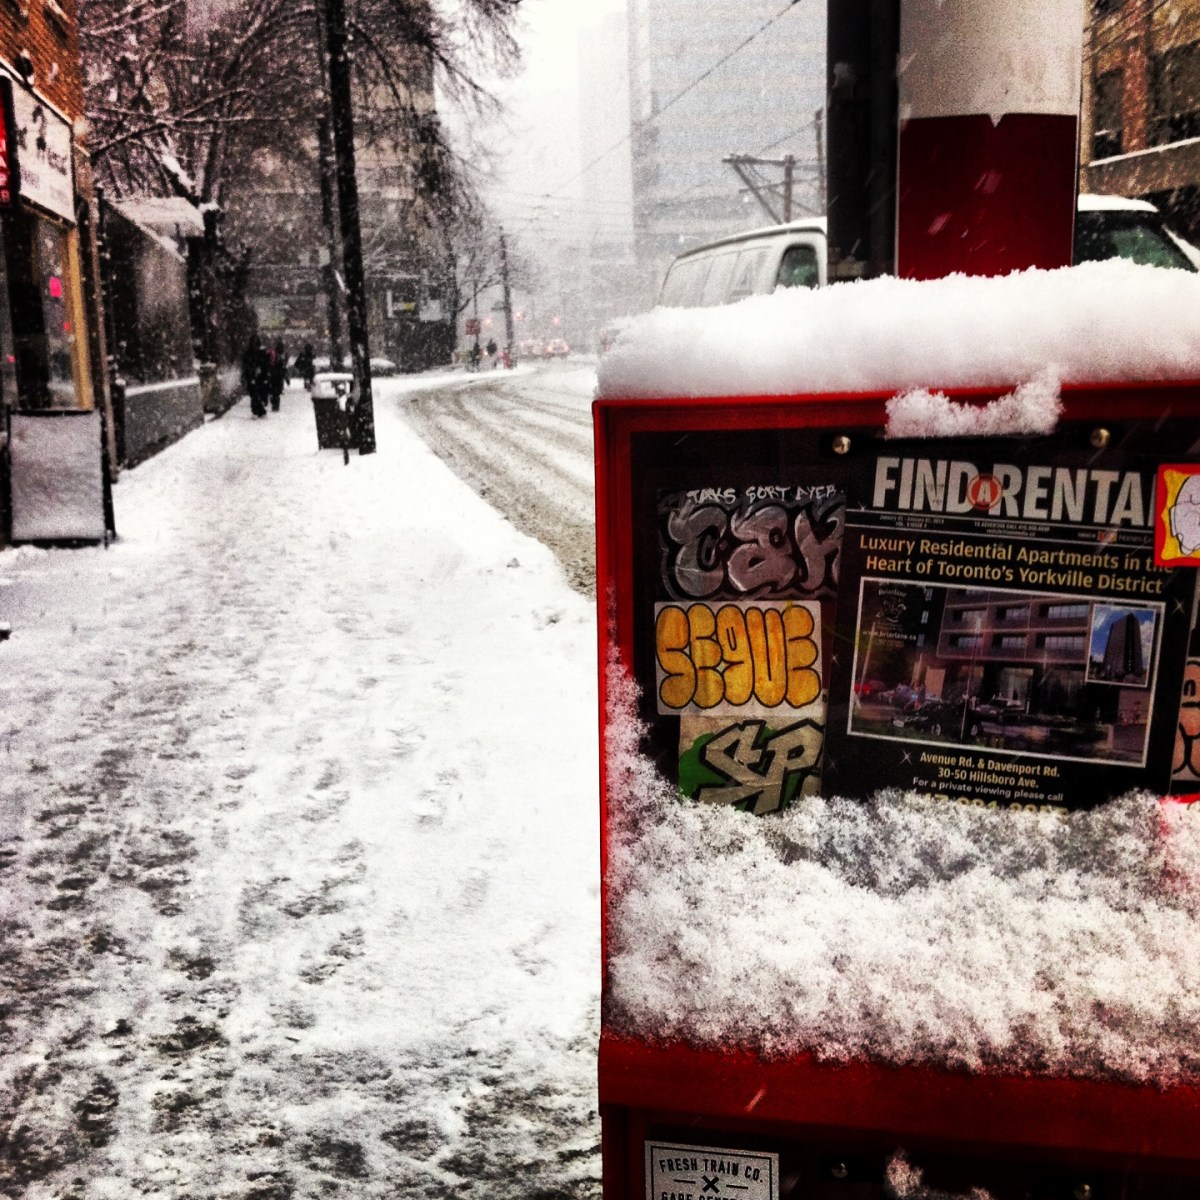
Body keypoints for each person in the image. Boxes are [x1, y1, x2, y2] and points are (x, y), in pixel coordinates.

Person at [241, 334, 270, 418]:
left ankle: (258, 411)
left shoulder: (261, 352)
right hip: (251, 376)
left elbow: (265, 364)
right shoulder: (249, 353)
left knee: (257, 394)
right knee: (254, 394)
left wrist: (263, 372)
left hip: (259, 376)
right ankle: (258, 411)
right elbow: (245, 365)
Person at [268, 340, 288, 412]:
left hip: (275, 377)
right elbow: (283, 368)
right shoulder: (279, 358)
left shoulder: (277, 358)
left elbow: (283, 367)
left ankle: (275, 405)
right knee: (275, 393)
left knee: (274, 393)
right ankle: (275, 405)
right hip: (276, 377)